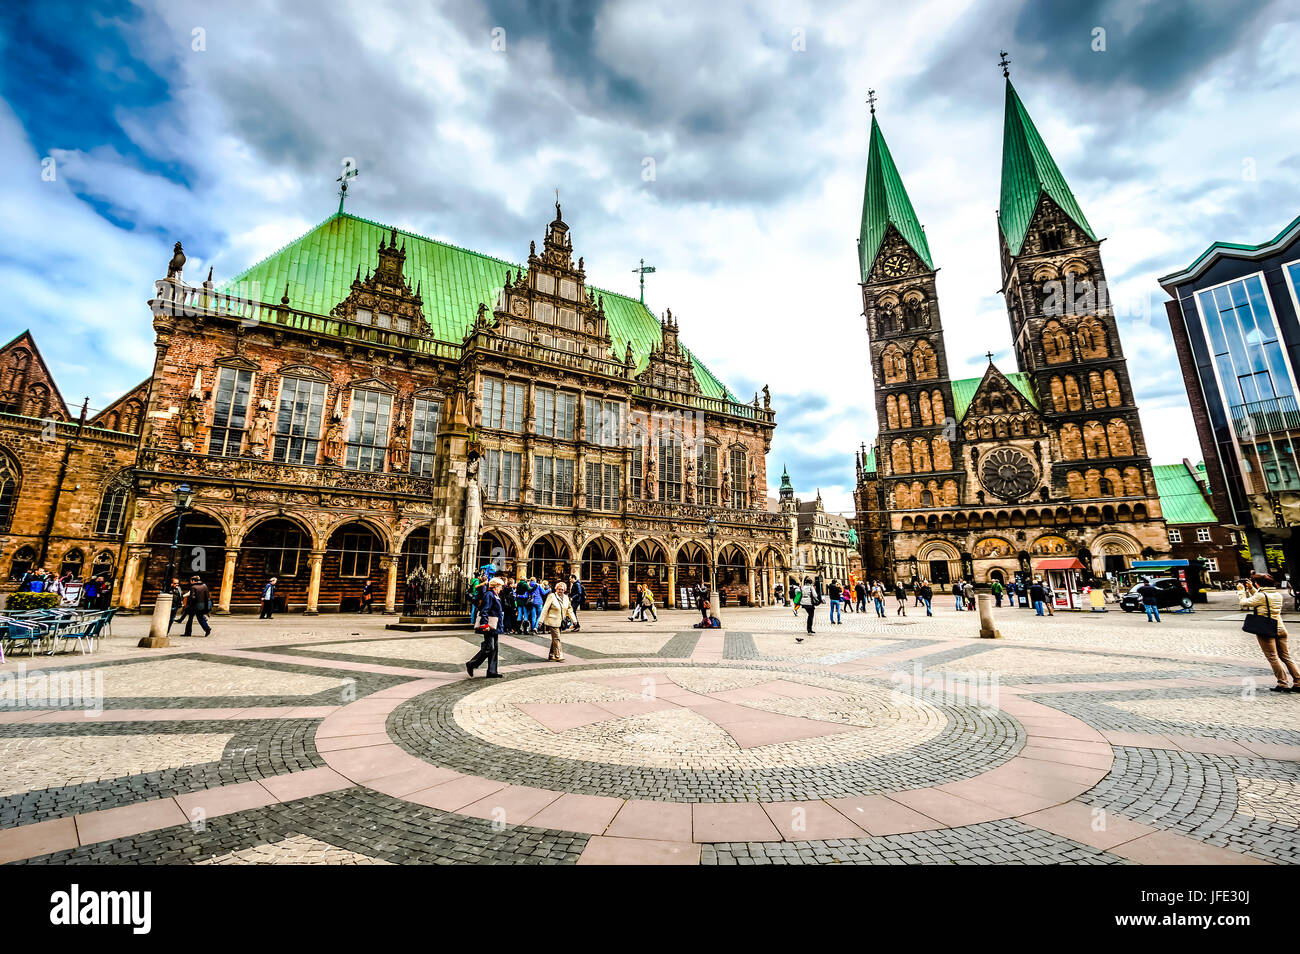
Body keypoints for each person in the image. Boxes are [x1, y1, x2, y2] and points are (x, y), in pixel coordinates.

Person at [1239, 574, 1300, 693]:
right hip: (1280, 628)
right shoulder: (1277, 594)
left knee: (1273, 657)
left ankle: (1283, 683)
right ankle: (1298, 682)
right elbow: (1261, 598)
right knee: (1286, 657)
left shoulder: (1261, 596)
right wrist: (1252, 588)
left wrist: (1241, 591)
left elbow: (1244, 602)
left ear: (1258, 583)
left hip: (1266, 629)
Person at [465, 578, 505, 678]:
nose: (501, 588)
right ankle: (472, 664)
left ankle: (492, 671)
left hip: (495, 625)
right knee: (489, 647)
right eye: (500, 586)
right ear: (496, 586)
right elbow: (485, 610)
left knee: (494, 648)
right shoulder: (489, 595)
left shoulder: (495, 595)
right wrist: (484, 624)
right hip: (489, 625)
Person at [540, 580, 579, 661]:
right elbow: (545, 608)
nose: (560, 591)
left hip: (561, 621)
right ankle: (559, 655)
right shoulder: (551, 596)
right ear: (556, 589)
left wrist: (574, 621)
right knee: (557, 638)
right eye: (558, 589)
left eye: (562, 589)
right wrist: (540, 620)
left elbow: (569, 610)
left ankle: (551, 655)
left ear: (564, 590)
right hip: (552, 620)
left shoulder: (565, 598)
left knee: (555, 638)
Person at [796, 576, 817, 641]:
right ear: (810, 583)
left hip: (803, 602)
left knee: (809, 615)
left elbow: (798, 592)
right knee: (811, 615)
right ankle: (809, 629)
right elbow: (815, 595)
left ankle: (809, 628)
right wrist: (817, 600)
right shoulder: (811, 587)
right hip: (809, 603)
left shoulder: (802, 587)